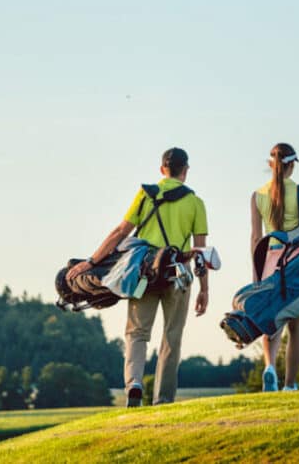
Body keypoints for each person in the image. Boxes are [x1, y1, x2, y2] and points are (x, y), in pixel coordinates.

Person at [67, 147, 209, 407]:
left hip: (143, 272)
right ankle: (163, 400)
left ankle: (134, 384)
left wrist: (91, 262)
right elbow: (200, 252)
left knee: (137, 332)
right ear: (185, 170)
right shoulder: (195, 203)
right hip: (178, 273)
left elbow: (120, 231)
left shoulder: (145, 195)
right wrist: (204, 289)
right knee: (172, 337)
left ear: (161, 169)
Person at [250, 142, 299, 392]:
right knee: (297, 325)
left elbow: (256, 238)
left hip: (270, 260)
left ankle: (270, 367)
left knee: (272, 319)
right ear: (291, 165)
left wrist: (257, 274)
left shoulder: (257, 195)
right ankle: (290, 384)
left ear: (271, 165)